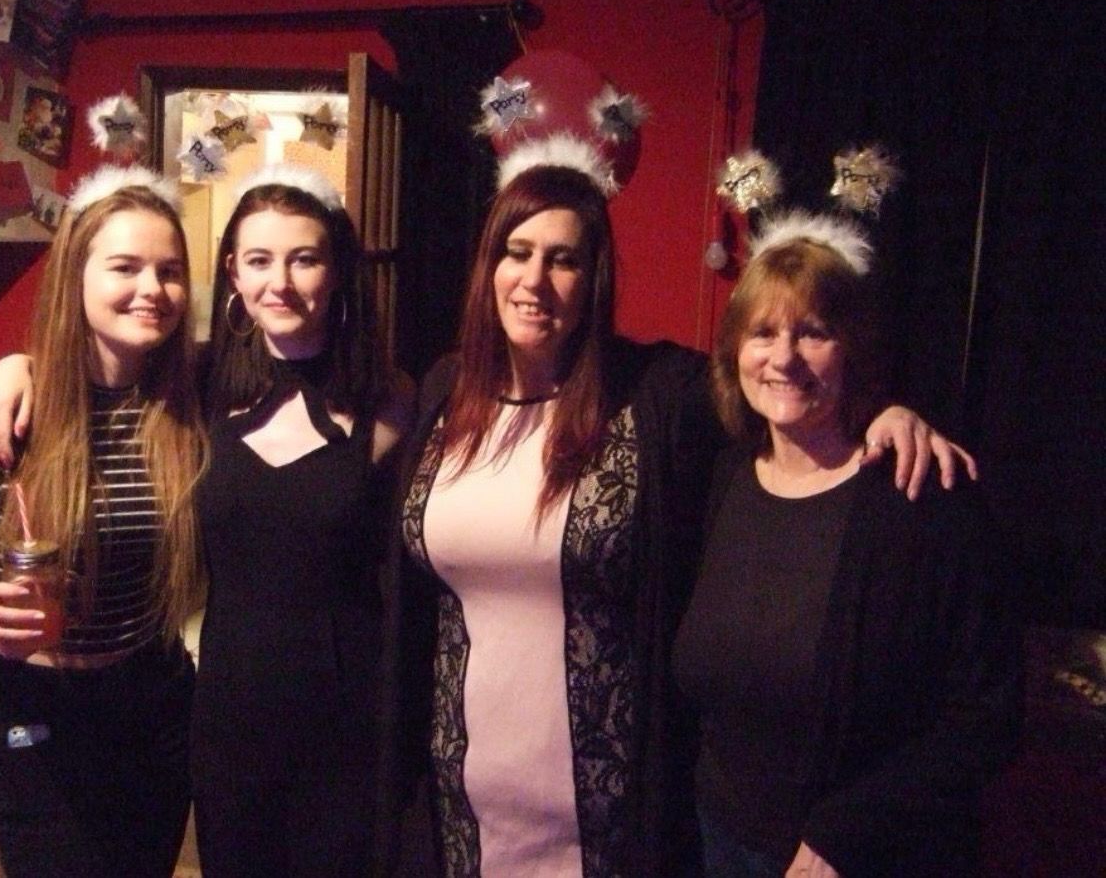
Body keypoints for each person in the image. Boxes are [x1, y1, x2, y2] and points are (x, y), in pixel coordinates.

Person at [380, 159, 975, 877]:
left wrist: (884, 412)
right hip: (462, 793)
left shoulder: (654, 391)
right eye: (518, 252)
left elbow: (775, 387)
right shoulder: (449, 392)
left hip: (607, 805)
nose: (535, 281)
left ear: (594, 278)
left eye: (564, 260)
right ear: (490, 265)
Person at [0, 164, 414, 877]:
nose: (282, 282)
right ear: (232, 273)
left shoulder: (391, 400)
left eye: (305, 258)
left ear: (338, 270)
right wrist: (15, 364)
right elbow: (85, 373)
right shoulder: (197, 390)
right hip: (227, 711)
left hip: (346, 711)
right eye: (259, 260)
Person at [671, 213, 1020, 877]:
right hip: (716, 838)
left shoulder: (923, 497)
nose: (783, 357)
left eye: (814, 332)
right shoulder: (721, 478)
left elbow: (986, 719)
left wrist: (848, 831)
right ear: (733, 351)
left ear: (852, 349)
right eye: (764, 332)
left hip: (860, 859)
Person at [0, 166, 205, 877]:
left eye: (169, 271)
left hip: (154, 700)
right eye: (125, 267)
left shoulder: (191, 405)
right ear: (76, 274)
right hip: (38, 705)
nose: (152, 289)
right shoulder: (7, 415)